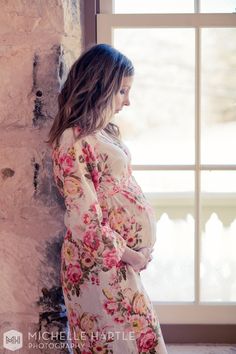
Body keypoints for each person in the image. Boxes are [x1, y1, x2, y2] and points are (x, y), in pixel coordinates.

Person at [48, 43, 168, 354]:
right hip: (99, 264)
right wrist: (131, 254)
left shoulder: (102, 133)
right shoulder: (71, 139)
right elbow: (83, 218)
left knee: (136, 341)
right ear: (100, 86)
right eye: (122, 91)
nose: (128, 101)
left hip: (117, 264)